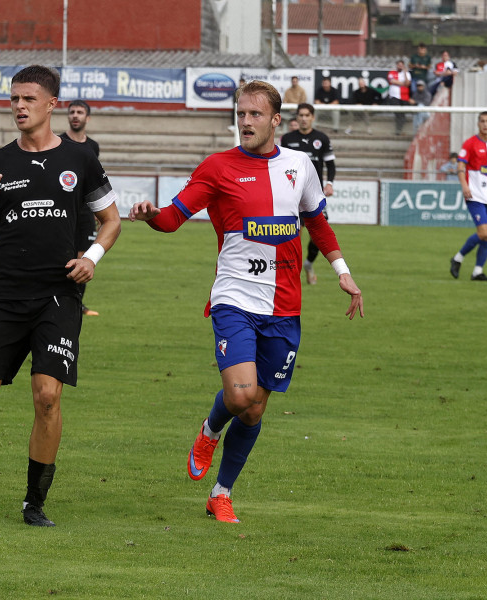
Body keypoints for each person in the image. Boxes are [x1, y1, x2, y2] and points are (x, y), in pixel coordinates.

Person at [128, 80, 364, 523]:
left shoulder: (300, 165)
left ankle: (221, 492)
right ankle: (209, 430)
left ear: (276, 120)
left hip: (285, 306)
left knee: (255, 408)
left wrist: (343, 272)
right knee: (240, 395)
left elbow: (318, 223)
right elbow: (174, 217)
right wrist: (150, 216)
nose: (246, 122)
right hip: (234, 298)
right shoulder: (218, 167)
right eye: (241, 114)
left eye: (255, 115)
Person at [0, 65, 122, 528]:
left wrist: (92, 256)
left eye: (29, 99)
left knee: (47, 396)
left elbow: (110, 221)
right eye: (14, 98)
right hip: (6, 297)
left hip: (59, 296)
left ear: (51, 104)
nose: (19, 106)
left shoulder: (81, 160)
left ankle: (34, 502)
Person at [280, 103, 336, 286]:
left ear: (312, 117)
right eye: (300, 115)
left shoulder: (322, 138)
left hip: (314, 196)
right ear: (296, 117)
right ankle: (291, 274)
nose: (303, 118)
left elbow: (330, 165)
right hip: (292, 196)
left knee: (318, 237)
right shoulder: (287, 139)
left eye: (307, 115)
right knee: (294, 235)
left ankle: (308, 264)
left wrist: (329, 183)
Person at [449, 111, 487, 282]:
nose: (485, 124)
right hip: (474, 195)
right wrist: (464, 185)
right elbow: (461, 166)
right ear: (478, 123)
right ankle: (458, 258)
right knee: (482, 232)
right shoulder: (470, 144)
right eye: (482, 121)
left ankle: (477, 271)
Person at [59, 99, 101, 317]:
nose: (75, 115)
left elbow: (93, 182)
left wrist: (98, 211)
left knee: (84, 258)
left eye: (80, 112)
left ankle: (76, 304)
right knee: (62, 256)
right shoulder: (58, 142)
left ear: (88, 117)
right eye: (72, 112)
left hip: (85, 212)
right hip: (64, 210)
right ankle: (58, 300)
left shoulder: (93, 146)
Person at [386, 60, 412, 135]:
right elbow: (392, 81)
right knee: (398, 113)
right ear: (396, 65)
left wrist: (405, 74)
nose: (400, 66)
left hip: (404, 96)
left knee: (402, 114)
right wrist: (403, 83)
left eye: (401, 65)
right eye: (399, 65)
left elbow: (407, 84)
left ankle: (399, 130)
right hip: (394, 96)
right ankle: (398, 130)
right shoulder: (392, 73)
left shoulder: (407, 74)